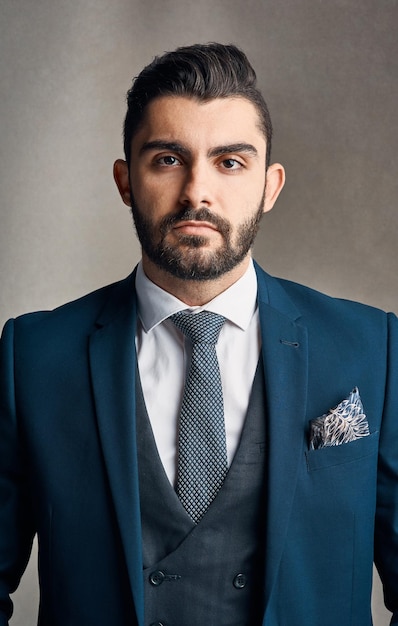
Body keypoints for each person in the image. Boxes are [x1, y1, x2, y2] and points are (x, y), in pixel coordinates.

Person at [0, 42, 397, 626]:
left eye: (230, 162)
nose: (197, 193)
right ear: (125, 180)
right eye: (167, 159)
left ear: (271, 184)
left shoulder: (372, 348)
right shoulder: (33, 357)